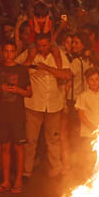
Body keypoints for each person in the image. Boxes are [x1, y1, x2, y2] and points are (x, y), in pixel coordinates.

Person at [15, 32, 72, 180]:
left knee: (53, 138)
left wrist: (47, 68)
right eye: (39, 45)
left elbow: (67, 75)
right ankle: (26, 171)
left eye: (45, 45)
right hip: (33, 104)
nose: (42, 48)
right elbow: (15, 68)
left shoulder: (58, 55)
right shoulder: (30, 54)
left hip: (54, 104)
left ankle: (56, 169)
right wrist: (30, 59)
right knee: (30, 140)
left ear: (50, 44)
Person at [0, 43, 32, 193]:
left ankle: (18, 180)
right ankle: (6, 180)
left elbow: (29, 92)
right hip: (2, 114)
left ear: (15, 52)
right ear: (2, 52)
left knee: (18, 147)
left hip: (17, 114)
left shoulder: (21, 70)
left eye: (11, 51)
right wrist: (1, 89)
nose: (8, 54)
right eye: (6, 51)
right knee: (4, 147)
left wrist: (17, 90)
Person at [75, 68, 99, 172]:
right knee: (88, 160)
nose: (94, 82)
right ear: (87, 81)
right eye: (91, 79)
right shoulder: (83, 96)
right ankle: (86, 180)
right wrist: (93, 128)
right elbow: (81, 115)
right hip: (88, 134)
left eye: (97, 79)